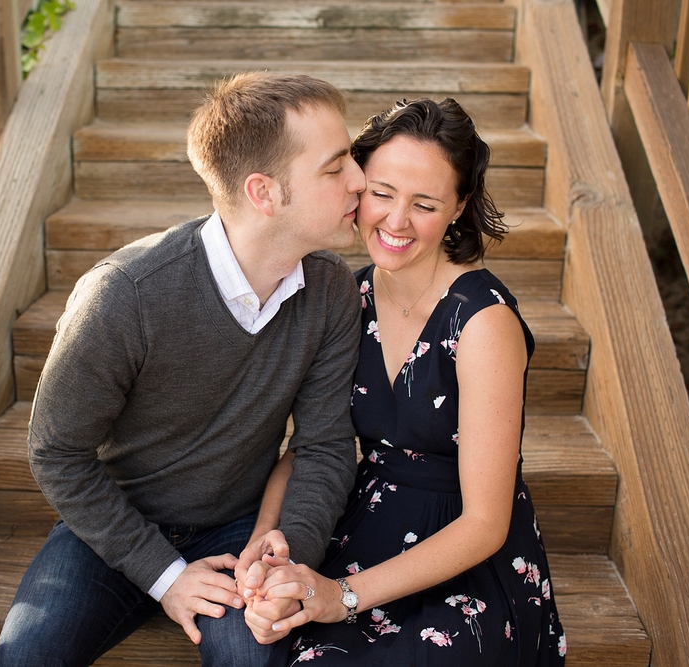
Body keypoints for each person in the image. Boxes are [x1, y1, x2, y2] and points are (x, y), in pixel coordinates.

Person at [0, 72, 366, 667]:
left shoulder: (331, 292)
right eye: (336, 167)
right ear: (264, 193)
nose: (360, 182)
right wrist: (164, 575)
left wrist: (289, 550)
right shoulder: (124, 296)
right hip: (113, 529)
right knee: (26, 656)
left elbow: (323, 447)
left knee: (254, 658)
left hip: (240, 531)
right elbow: (55, 453)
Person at [241, 98, 568, 665]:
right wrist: (266, 539)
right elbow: (315, 444)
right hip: (361, 523)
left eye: (424, 204)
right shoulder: (350, 295)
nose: (394, 222)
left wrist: (341, 597)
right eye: (382, 193)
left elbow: (486, 523)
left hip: (463, 557)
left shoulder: (482, 321)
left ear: (459, 207)